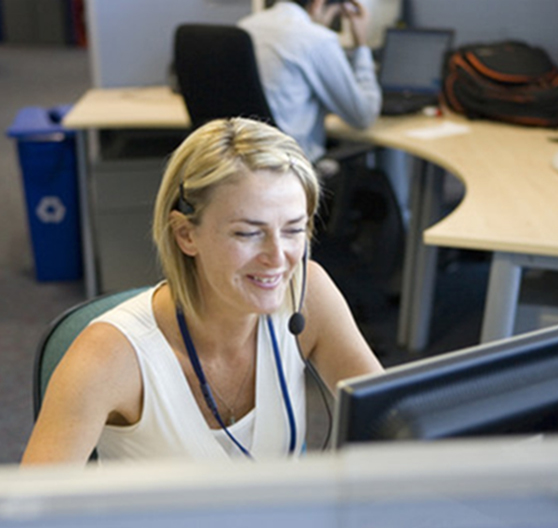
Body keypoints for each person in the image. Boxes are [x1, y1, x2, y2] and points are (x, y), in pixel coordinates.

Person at [22, 118, 382, 465]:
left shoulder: (306, 293)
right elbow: (30, 512)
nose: (278, 257)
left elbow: (394, 421)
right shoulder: (108, 357)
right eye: (248, 233)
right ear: (186, 235)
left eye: (293, 230)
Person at [238, 0, 381, 163]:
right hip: (295, 168)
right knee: (377, 182)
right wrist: (361, 44)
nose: (328, 23)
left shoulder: (245, 26)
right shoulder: (317, 39)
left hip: (244, 161)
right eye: (334, 15)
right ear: (318, 4)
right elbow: (363, 116)